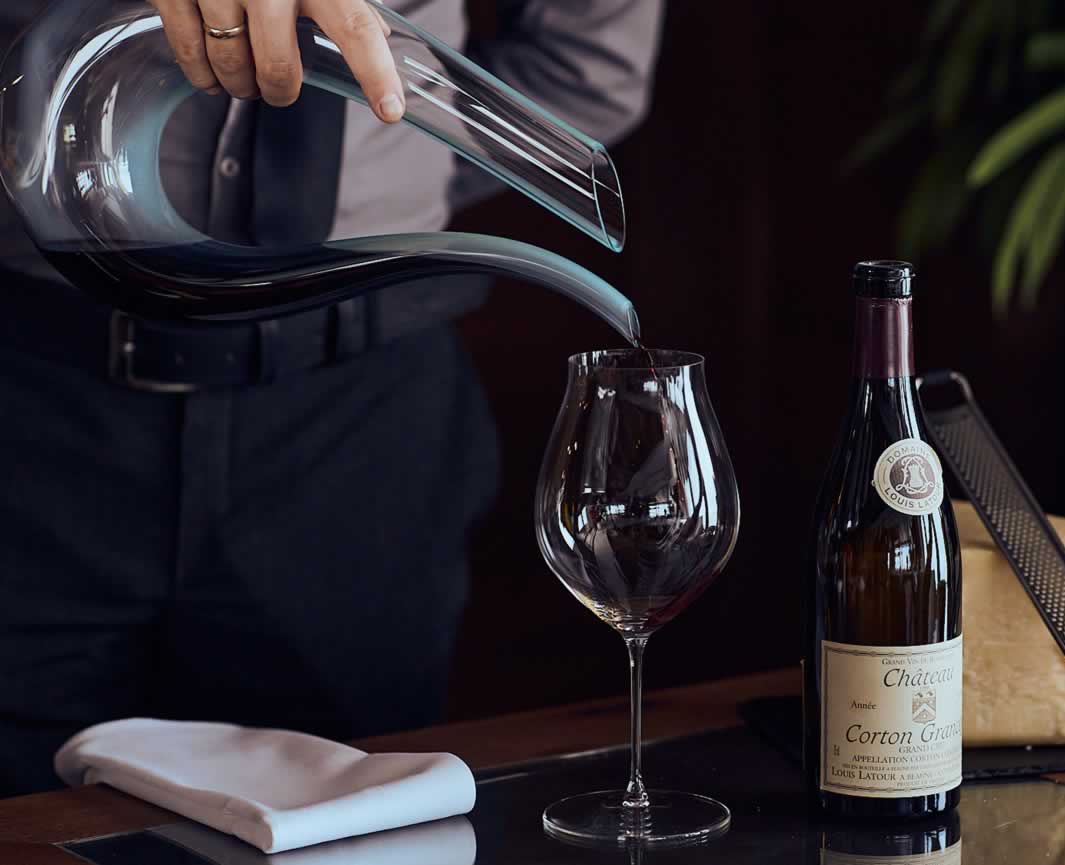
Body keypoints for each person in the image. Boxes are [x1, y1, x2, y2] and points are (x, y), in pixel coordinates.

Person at [0, 0, 662, 797]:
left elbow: (588, 68)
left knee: (346, 814)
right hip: (34, 399)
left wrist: (401, 168)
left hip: (358, 430)